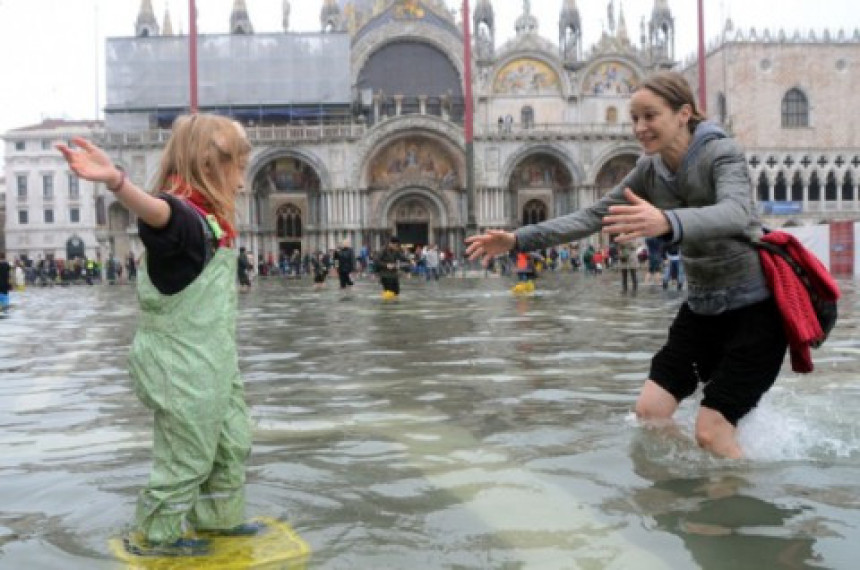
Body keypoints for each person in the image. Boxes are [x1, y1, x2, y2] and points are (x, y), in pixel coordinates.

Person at [466, 71, 787, 459]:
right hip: (703, 308)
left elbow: (737, 213)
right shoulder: (649, 171)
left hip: (755, 310)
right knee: (649, 414)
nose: (639, 127)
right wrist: (518, 239)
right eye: (634, 118)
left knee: (711, 432)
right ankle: (704, 484)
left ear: (683, 113)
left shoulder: (722, 153)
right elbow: (592, 217)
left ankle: (738, 507)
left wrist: (669, 222)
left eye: (649, 116)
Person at [57, 114, 260, 554]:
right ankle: (156, 539)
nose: (243, 180)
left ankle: (219, 521)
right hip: (181, 365)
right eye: (238, 167)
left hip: (215, 359)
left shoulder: (211, 223)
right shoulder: (182, 219)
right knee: (186, 456)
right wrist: (116, 182)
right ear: (209, 166)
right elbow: (158, 214)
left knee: (232, 443)